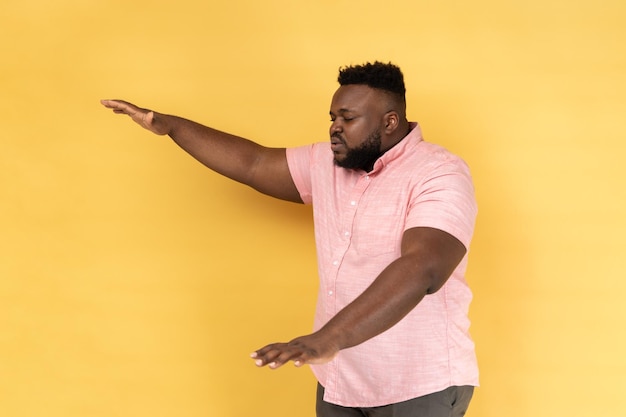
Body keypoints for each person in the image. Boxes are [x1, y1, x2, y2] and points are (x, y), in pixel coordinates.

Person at [101, 61, 478, 417]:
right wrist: (172, 127)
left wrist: (328, 338)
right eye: (333, 118)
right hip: (342, 378)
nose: (335, 127)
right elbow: (254, 163)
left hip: (419, 383)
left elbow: (422, 268)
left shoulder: (439, 174)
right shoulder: (327, 164)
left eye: (348, 118)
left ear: (390, 121)